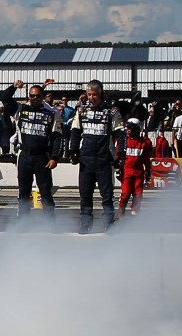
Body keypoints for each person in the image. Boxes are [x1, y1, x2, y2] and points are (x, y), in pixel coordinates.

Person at [0, 79, 63, 223]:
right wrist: (13, 87)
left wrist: (54, 157)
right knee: (24, 193)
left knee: (46, 192)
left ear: (43, 97)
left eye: (38, 96)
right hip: (24, 156)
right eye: (32, 96)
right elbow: (4, 99)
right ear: (29, 96)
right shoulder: (20, 109)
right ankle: (23, 223)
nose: (35, 98)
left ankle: (50, 223)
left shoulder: (51, 114)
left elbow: (57, 138)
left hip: (42, 157)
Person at [68, 79, 116, 234]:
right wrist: (73, 151)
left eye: (94, 94)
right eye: (89, 94)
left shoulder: (111, 111)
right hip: (86, 159)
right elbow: (75, 131)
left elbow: (120, 133)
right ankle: (86, 223)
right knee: (85, 194)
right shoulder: (81, 111)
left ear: (101, 94)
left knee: (107, 195)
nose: (91, 97)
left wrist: (120, 155)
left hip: (103, 159)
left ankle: (109, 223)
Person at [118, 118, 152, 218]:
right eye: (127, 128)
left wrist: (148, 170)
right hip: (126, 171)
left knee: (138, 194)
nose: (128, 130)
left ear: (137, 129)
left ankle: (135, 213)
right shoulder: (123, 141)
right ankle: (121, 214)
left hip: (139, 172)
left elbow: (146, 159)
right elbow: (118, 156)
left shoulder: (143, 143)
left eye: (130, 128)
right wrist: (118, 168)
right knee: (125, 193)